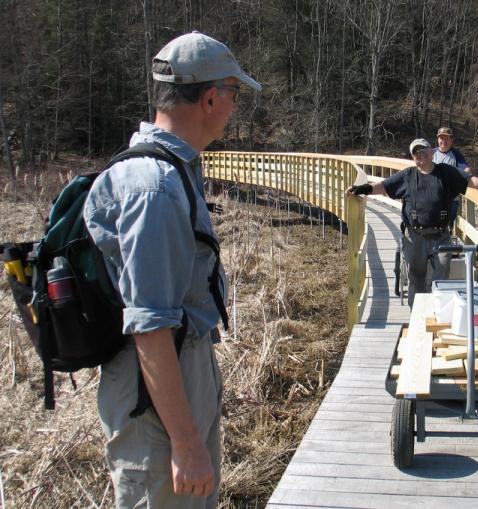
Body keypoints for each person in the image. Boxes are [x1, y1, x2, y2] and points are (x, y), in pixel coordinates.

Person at [84, 32, 261, 508]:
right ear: (209, 98)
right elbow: (150, 326)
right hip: (157, 399)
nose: (233, 107)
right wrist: (184, 442)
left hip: (180, 375)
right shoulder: (155, 188)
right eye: (234, 94)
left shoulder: (175, 169)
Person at [347, 138, 478, 308]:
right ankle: (417, 317)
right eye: (415, 153)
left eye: (423, 150)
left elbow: (471, 181)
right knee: (416, 279)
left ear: (432, 152)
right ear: (412, 157)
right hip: (414, 237)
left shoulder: (446, 173)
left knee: (441, 281)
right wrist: (362, 189)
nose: (420, 155)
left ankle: (437, 314)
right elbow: (383, 186)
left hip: (441, 237)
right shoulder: (408, 175)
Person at [433, 127, 471, 229]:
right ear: (438, 139)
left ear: (451, 140)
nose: (443, 141)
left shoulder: (456, 154)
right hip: (433, 198)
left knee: (447, 228)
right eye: (441, 138)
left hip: (451, 200)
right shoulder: (431, 153)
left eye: (446, 138)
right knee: (433, 226)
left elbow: (466, 169)